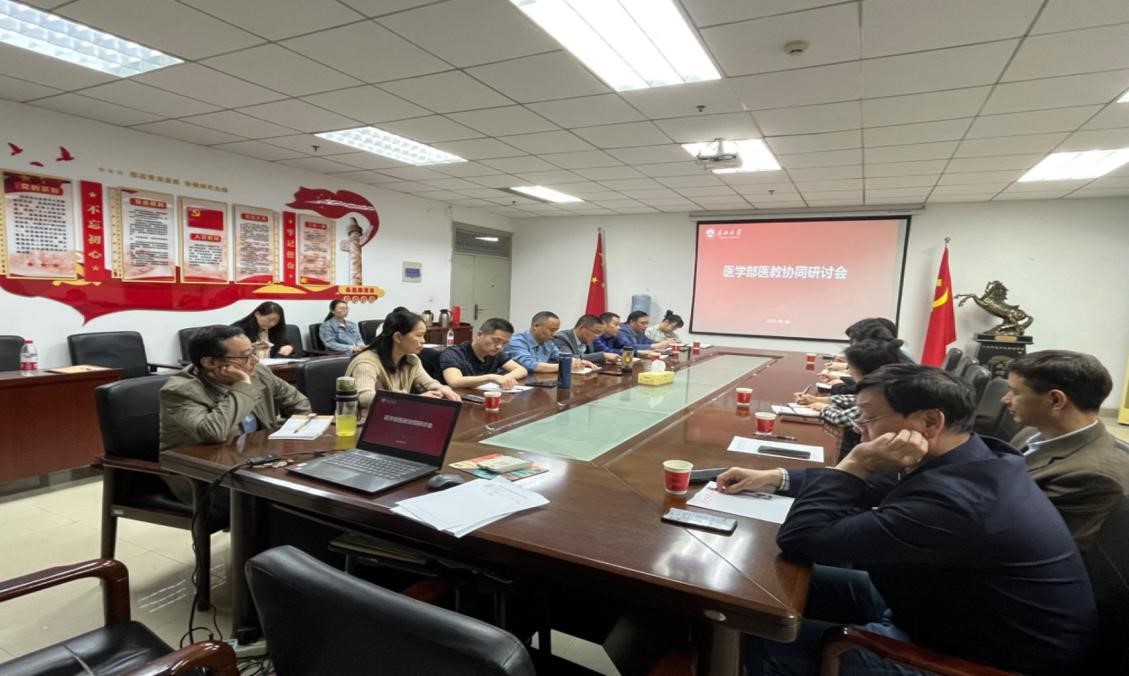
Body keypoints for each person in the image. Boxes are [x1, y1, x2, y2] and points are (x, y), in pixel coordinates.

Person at [721, 364, 1096, 676]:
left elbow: (803, 536)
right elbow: (872, 485)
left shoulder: (958, 503)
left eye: (869, 418)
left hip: (972, 659)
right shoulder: (970, 458)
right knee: (761, 589)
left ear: (930, 421)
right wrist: (774, 477)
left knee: (756, 637)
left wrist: (857, 462)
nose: (859, 428)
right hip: (934, 609)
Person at [159, 325, 311, 508]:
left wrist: (288, 438)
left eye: (253, 352)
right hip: (203, 477)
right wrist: (243, 387)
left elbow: (298, 403)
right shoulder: (180, 391)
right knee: (285, 503)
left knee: (310, 484)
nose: (255, 360)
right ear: (210, 362)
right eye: (245, 356)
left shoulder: (259, 372)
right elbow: (213, 432)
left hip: (259, 462)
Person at [1004, 349, 1129, 550]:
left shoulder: (1092, 476)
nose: (1005, 399)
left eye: (1015, 392)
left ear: (1056, 400)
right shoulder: (1032, 431)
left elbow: (1039, 546)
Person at [795, 338, 914, 460]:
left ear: (867, 370)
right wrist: (825, 400)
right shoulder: (889, 382)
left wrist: (824, 408)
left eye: (850, 367)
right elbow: (856, 399)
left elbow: (843, 418)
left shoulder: (887, 391)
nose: (849, 372)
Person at [346, 310, 459, 411]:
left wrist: (443, 389)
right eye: (419, 335)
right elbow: (365, 398)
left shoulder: (411, 359)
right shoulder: (366, 363)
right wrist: (414, 400)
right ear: (398, 337)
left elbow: (428, 383)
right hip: (362, 422)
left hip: (394, 416)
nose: (423, 341)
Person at [440, 317, 528, 389]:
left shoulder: (495, 353)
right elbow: (454, 381)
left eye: (504, 343)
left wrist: (505, 379)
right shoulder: (454, 353)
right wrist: (491, 378)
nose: (499, 347)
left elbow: (521, 370)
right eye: (496, 340)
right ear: (479, 334)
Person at [507, 311, 596, 374]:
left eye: (556, 330)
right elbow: (529, 365)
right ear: (536, 326)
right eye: (552, 330)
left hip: (537, 383)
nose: (555, 334)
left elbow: (560, 356)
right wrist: (565, 366)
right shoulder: (516, 340)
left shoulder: (548, 342)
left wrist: (580, 362)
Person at [553, 314, 618, 366]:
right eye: (596, 332)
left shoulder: (588, 340)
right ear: (582, 328)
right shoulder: (561, 338)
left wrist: (606, 360)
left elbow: (590, 357)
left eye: (599, 333)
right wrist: (603, 355)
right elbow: (569, 358)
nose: (597, 336)